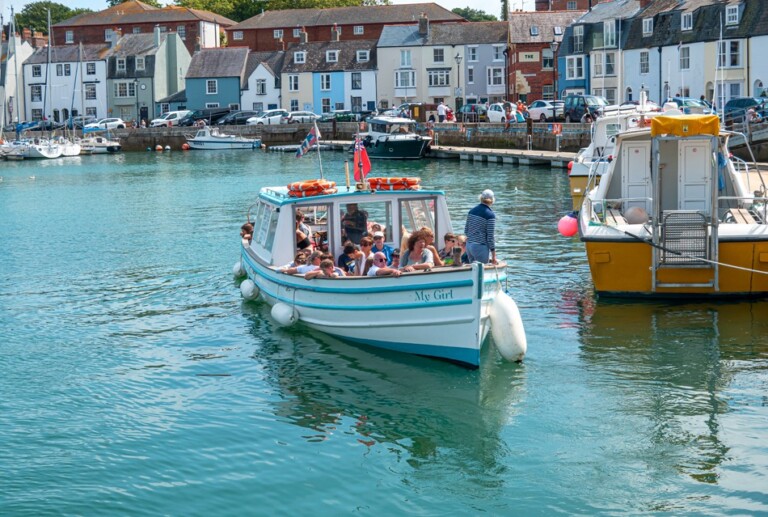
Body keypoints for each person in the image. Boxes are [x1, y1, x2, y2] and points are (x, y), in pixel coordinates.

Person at [464, 189, 497, 264]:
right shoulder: (490, 215)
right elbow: (490, 237)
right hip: (480, 247)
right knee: (481, 272)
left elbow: (466, 231)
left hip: (469, 246)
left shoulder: (471, 211)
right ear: (492, 200)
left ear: (481, 198)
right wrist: (494, 256)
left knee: (473, 272)